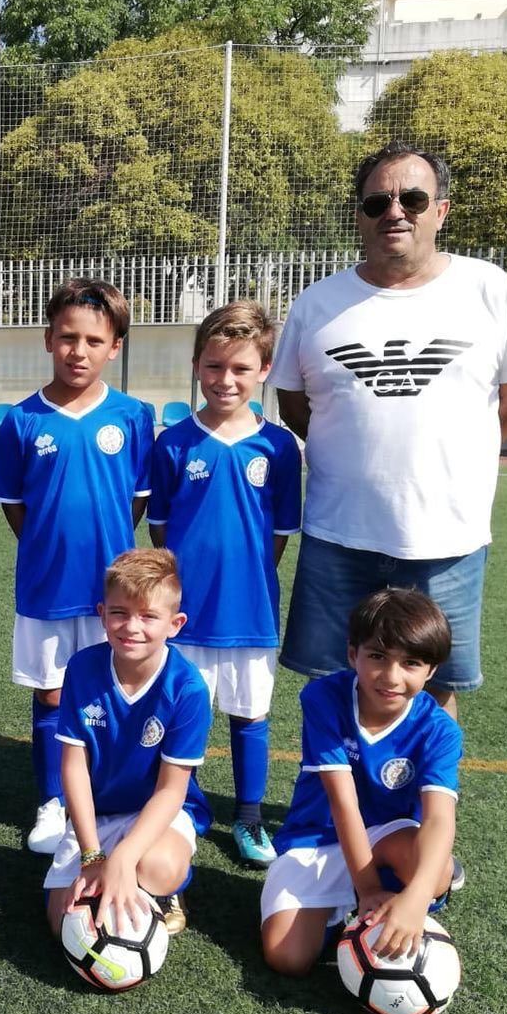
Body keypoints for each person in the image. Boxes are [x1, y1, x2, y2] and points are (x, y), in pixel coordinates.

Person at [272, 142, 507, 721]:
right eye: (378, 201)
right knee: (334, 681)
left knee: (436, 686)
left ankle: (423, 810)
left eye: (413, 198)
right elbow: (297, 405)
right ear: (360, 214)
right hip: (338, 530)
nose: (395, 211)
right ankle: (333, 809)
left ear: (440, 210)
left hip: (448, 540)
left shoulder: (490, 291)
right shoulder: (317, 304)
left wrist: (454, 465)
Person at [0, 279, 155, 854]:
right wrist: (45, 541)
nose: (77, 350)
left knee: (113, 693)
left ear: (115, 347)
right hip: (46, 585)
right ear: (47, 339)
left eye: (92, 340)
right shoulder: (20, 421)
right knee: (53, 696)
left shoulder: (135, 416)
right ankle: (51, 801)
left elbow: (137, 498)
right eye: (66, 337)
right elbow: (14, 503)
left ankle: (108, 793)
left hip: (114, 591)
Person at [147, 301, 301, 866]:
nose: (226, 380)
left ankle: (250, 817)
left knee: (250, 713)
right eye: (214, 367)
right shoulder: (173, 443)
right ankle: (184, 807)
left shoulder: (278, 447)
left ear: (264, 369)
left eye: (240, 368)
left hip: (250, 611)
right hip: (186, 614)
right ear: (196, 366)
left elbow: (280, 534)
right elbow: (162, 529)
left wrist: (247, 577)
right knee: (180, 713)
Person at [260, 588, 463, 976]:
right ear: (353, 654)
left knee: (434, 872)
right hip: (317, 837)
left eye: (412, 663)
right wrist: (367, 889)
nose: (391, 677)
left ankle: (403, 898)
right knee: (287, 958)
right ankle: (357, 905)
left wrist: (418, 898)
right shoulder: (324, 698)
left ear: (431, 671)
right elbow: (343, 804)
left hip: (388, 836)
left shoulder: (439, 729)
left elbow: (439, 819)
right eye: (377, 657)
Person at [43, 548, 211, 939]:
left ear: (175, 623)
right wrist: (92, 854)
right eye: (119, 612)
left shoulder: (187, 688)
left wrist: (124, 855)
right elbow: (73, 767)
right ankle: (115, 874)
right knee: (62, 924)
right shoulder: (83, 669)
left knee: (157, 868)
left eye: (149, 616)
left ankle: (164, 891)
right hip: (96, 814)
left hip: (158, 814)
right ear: (102, 614)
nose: (131, 627)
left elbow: (172, 790)